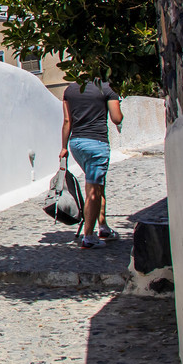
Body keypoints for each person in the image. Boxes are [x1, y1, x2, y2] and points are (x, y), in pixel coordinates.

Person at [60, 79, 123, 248]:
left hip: (76, 144)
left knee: (97, 185)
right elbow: (116, 118)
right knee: (93, 190)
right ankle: (88, 237)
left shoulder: (70, 90)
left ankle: (103, 227)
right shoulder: (108, 88)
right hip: (96, 144)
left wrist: (63, 147)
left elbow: (67, 121)